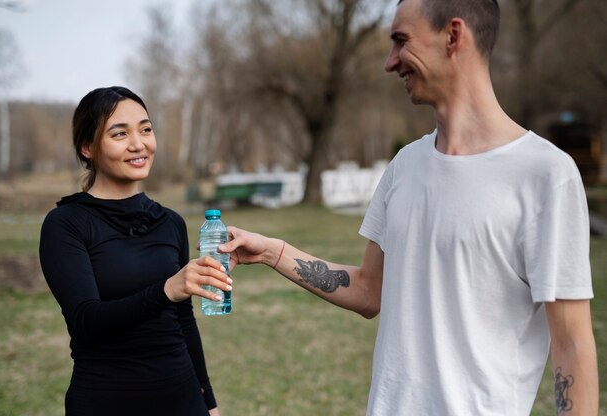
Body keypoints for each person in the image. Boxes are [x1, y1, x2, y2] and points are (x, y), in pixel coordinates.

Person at [219, 0, 599, 414]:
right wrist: (274, 252)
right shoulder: (404, 166)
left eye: (401, 42)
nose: (390, 62)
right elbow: (368, 290)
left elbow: (572, 344)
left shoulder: (545, 174)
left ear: (454, 36)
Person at [39, 86, 231, 416]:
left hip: (183, 399)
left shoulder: (171, 222)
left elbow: (183, 321)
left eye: (145, 129)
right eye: (119, 134)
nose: (138, 144)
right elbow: (86, 320)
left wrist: (208, 401)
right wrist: (167, 289)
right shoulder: (65, 224)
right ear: (88, 148)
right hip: (106, 401)